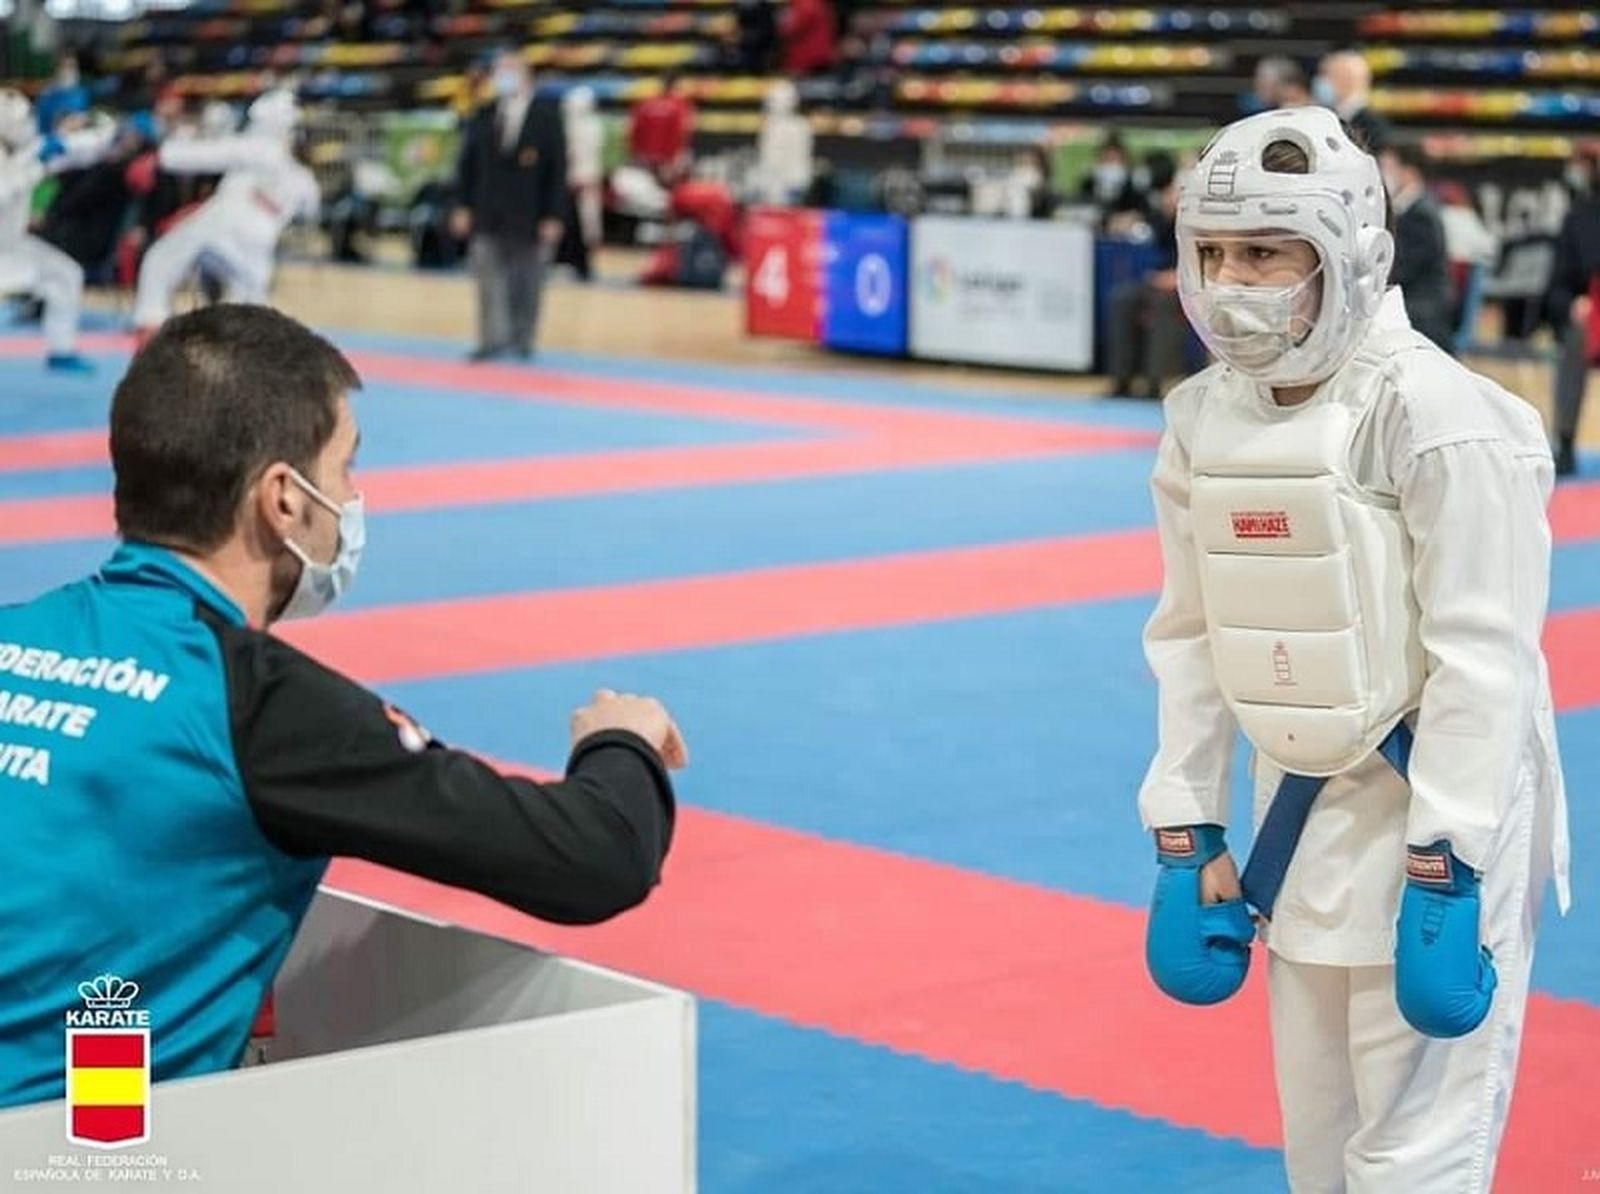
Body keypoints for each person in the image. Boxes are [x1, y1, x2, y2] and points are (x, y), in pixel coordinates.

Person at [0, 304, 685, 1110]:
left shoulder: (18, 633)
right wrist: (619, 741)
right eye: (346, 471)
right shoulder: (258, 707)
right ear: (283, 500)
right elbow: (595, 857)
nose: (352, 499)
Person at [1137, 106, 1568, 1193]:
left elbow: (1484, 656)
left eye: (1266, 252)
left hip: (1431, 814)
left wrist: (1449, 861)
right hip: (1301, 808)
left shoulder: (1436, 417)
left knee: (1414, 1160)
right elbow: (1191, 634)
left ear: (1347, 256)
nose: (1233, 279)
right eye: (1215, 251)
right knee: (1319, 1149)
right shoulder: (1202, 419)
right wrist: (1185, 823)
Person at [131, 87, 317, 339]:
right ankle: (251, 354)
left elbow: (211, 154)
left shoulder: (260, 145)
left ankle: (150, 323)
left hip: (225, 219)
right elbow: (309, 211)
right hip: (261, 235)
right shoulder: (304, 179)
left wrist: (161, 158)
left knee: (161, 258)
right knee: (251, 300)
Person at [452, 49, 567, 362]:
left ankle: (522, 338)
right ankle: (491, 339)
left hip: (530, 212)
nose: (502, 77)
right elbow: (467, 164)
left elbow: (557, 171)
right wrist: (462, 205)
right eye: (499, 71)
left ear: (526, 76)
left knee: (527, 280)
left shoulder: (546, 117)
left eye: (509, 70)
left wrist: (554, 215)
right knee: (488, 278)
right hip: (487, 210)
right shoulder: (484, 114)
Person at [0, 88, 116, 373]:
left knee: (66, 275)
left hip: (13, 244)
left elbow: (73, 152)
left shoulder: (29, 149)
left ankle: (61, 351)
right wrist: (34, 168)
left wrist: (103, 133)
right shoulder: (21, 158)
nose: (25, 124)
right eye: (20, 119)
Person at [1546, 147, 1600, 477]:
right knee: (1576, 336)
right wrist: (1573, 304)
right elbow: (1556, 286)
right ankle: (1565, 440)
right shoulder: (1577, 218)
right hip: (1589, 315)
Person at [1381, 144, 1454, 351]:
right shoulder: (1407, 209)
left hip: (1422, 308)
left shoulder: (1421, 214)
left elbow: (1400, 269)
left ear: (1408, 172)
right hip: (1413, 299)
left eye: (1389, 167)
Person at [1315, 50, 1392, 153]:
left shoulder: (1372, 124)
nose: (1321, 81)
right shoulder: (1328, 115)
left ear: (1346, 79)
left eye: (1326, 74)